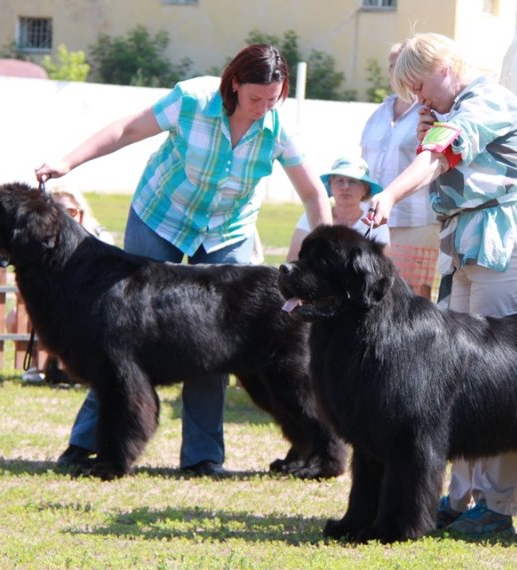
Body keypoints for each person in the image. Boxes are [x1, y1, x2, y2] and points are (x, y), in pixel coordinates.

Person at [35, 44, 332, 477]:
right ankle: (85, 444)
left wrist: (320, 257)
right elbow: (125, 131)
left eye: (273, 99)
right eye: (255, 99)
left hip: (226, 231)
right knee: (116, 336)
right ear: (234, 84)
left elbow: (312, 194)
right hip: (161, 218)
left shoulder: (277, 127)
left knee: (212, 344)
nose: (263, 109)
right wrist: (68, 161)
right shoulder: (192, 99)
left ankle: (202, 457)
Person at [365, 32, 517, 536]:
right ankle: (461, 498)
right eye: (409, 91)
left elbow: (437, 159)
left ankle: (497, 508)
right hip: (469, 251)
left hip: (509, 249)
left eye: (421, 85)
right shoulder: (451, 109)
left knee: (508, 385)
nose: (419, 99)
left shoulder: (488, 101)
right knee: (462, 383)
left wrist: (387, 195)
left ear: (448, 66)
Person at [10, 186, 114, 384]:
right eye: (59, 212)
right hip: (59, 304)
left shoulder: (101, 237)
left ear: (81, 211)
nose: (65, 217)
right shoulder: (43, 240)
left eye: (71, 212)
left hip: (92, 307)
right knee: (15, 317)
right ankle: (36, 367)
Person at [361, 43, 439, 299]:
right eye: (392, 65)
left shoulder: (430, 111)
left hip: (416, 219)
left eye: (402, 65)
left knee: (414, 297)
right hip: (376, 219)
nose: (395, 72)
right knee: (378, 292)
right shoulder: (380, 112)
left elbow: (433, 159)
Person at [286, 156, 390, 261]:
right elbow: (293, 259)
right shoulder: (312, 214)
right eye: (340, 181)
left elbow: (382, 266)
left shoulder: (374, 223)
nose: (345, 187)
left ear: (365, 189)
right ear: (330, 186)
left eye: (353, 181)